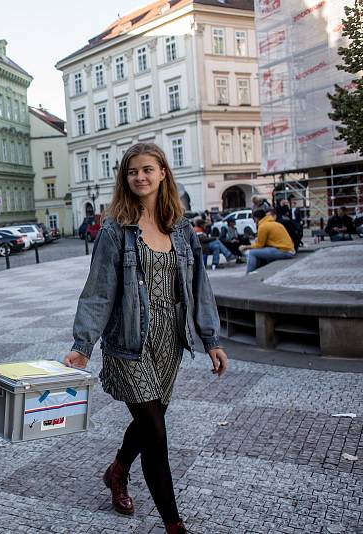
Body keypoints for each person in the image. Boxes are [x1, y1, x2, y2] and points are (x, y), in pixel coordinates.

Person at [63, 143, 228, 534]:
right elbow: (99, 291)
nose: (140, 177)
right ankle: (174, 524)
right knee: (155, 432)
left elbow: (199, 287)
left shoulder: (183, 229)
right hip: (129, 343)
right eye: (132, 171)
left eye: (147, 169)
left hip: (169, 342)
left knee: (148, 423)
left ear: (162, 174)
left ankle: (117, 471)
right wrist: (82, 345)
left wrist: (211, 339)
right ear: (125, 178)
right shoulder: (114, 229)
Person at [239, 209, 295, 273]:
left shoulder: (263, 226)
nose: (254, 222)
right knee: (258, 252)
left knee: (252, 253)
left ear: (256, 218)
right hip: (288, 250)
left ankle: (248, 274)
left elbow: (259, 245)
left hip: (284, 251)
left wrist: (245, 247)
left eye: (254, 219)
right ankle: (255, 271)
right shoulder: (273, 223)